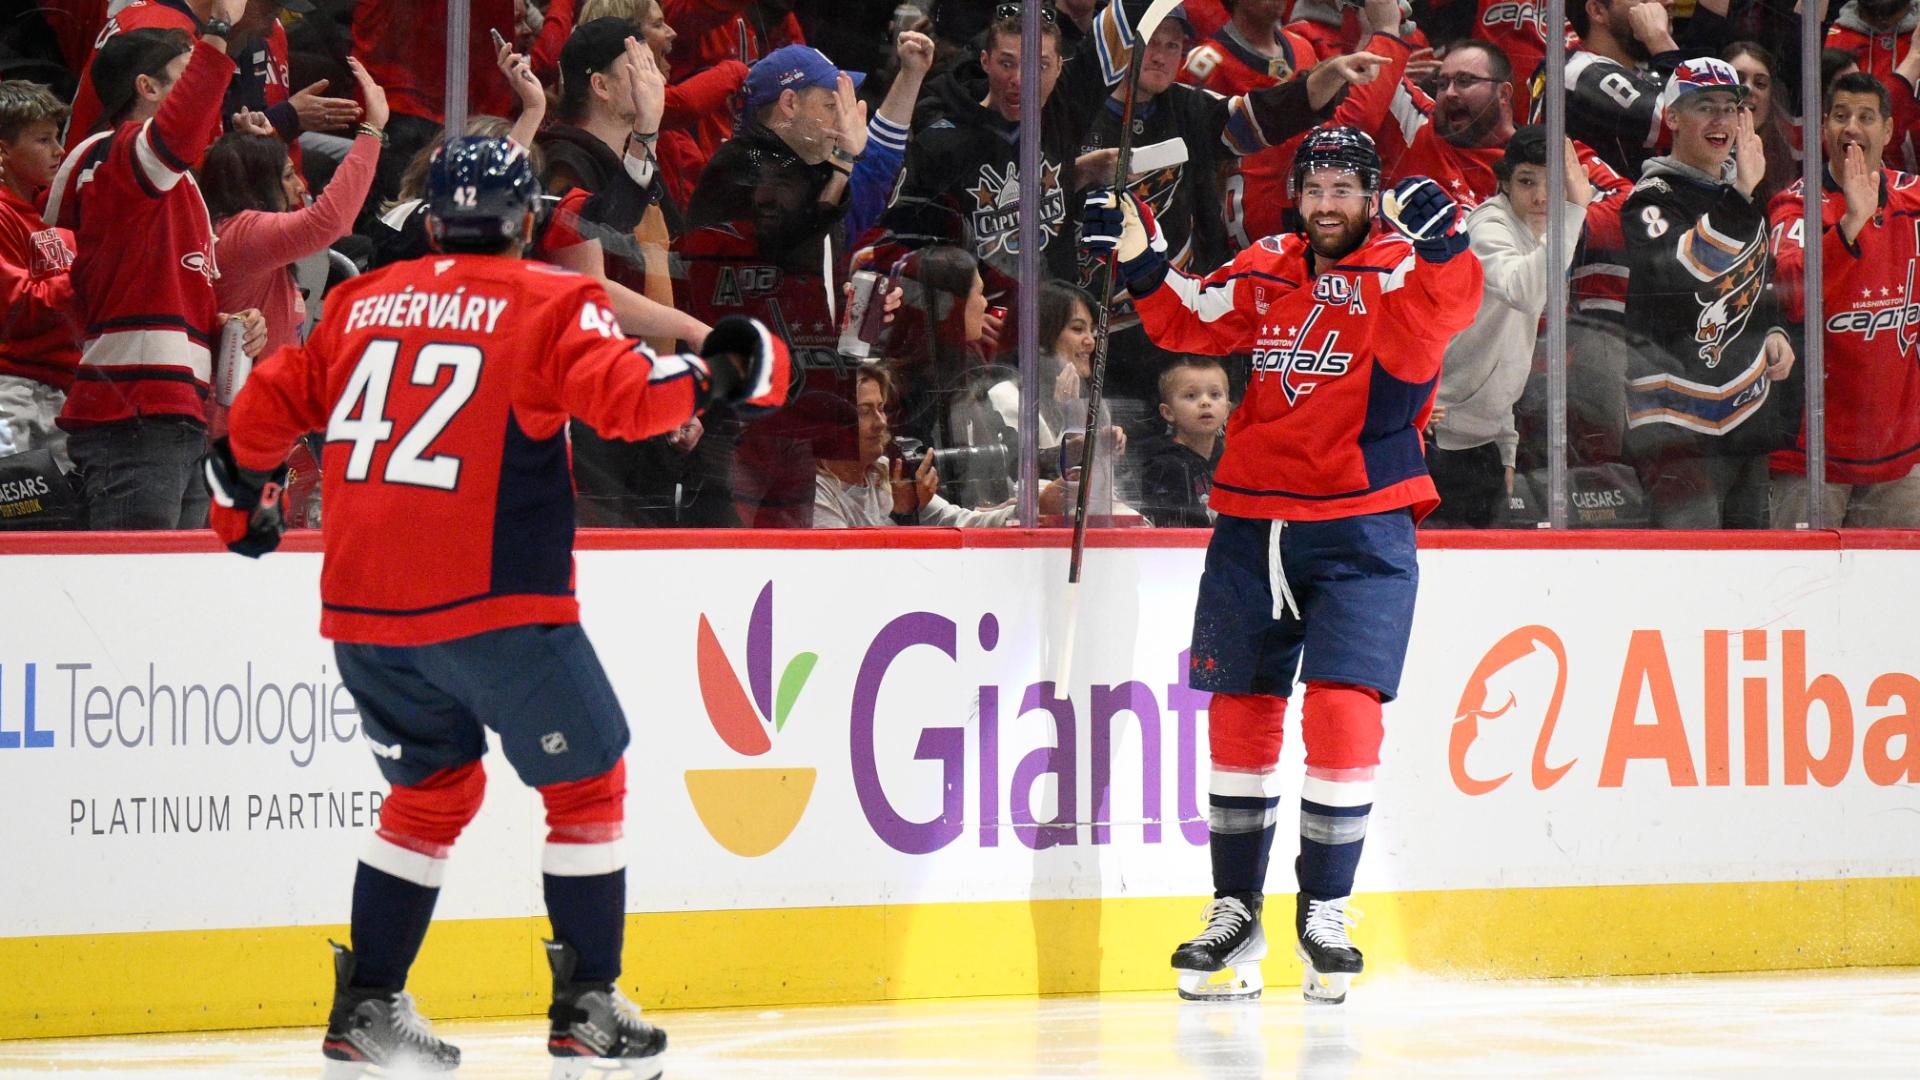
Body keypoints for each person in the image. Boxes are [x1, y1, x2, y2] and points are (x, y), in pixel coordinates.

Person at [206, 135, 790, 1071]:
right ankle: (588, 1001)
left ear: (431, 219)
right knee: (586, 779)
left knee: (429, 792)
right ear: (524, 223)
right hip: (497, 607)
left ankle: (366, 1007)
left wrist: (239, 500)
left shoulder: (356, 302)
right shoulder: (549, 299)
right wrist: (723, 371)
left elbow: (268, 405)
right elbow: (634, 402)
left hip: (363, 612)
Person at [1081, 126, 1481, 1002]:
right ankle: (1235, 913)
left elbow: (1451, 308)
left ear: (1371, 195)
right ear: (1296, 195)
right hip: (1253, 519)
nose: (1328, 203)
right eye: (1315, 188)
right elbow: (1190, 315)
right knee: (1239, 715)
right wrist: (1138, 248)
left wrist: (1448, 243)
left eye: (1345, 187)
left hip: (1364, 525)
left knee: (1342, 715)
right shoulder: (1267, 263)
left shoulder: (1402, 267)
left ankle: (1325, 911)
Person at [44, 18, 269, 529]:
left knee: (165, 595)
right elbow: (181, 128)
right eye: (188, 75)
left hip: (169, 413)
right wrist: (216, 29)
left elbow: (155, 289)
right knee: (129, 594)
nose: (208, 88)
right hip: (135, 415)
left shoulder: (166, 181)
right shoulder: (119, 153)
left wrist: (228, 326)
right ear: (147, 87)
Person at [1619, 57, 1795, 528]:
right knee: (1690, 575)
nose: (1721, 121)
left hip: (1746, 417)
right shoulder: (1649, 200)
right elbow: (1684, 272)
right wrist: (1739, 196)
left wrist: (1771, 326)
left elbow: (1756, 268)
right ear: (1672, 118)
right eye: (1705, 107)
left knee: (1753, 579)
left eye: (1729, 108)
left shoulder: (1738, 188)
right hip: (1677, 431)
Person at [1768, 71, 1920, 527]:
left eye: (1866, 116)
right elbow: (1791, 293)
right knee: (1796, 594)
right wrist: (1852, 220)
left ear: (1889, 131)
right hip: (1812, 457)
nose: (1852, 127)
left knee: (1895, 597)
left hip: (1903, 454)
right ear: (1823, 129)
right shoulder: (1795, 203)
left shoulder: (1915, 201)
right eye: (1840, 116)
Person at [1428, 127, 1591, 528]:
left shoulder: (1539, 236)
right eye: (1526, 181)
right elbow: (1523, 289)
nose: (1540, 196)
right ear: (1504, 181)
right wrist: (1574, 209)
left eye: (1551, 183)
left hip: (1482, 442)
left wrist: (1506, 446)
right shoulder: (1488, 226)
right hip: (1433, 437)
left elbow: (1510, 351)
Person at [201, 57, 386, 360]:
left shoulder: (242, 233)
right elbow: (331, 219)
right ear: (254, 184)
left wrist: (259, 146)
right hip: (239, 405)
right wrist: (372, 130)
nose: (300, 187)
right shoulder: (242, 233)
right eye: (288, 176)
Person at [813, 362, 1054, 526]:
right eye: (864, 412)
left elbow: (961, 523)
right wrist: (901, 513)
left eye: (881, 409)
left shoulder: (884, 473)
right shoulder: (817, 491)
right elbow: (848, 572)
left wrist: (1033, 508)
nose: (880, 422)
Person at [1534, 0, 1736, 176]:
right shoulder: (1582, 73)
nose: (1667, 2)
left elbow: (1704, 42)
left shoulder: (1635, 67)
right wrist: (1659, 39)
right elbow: (1692, 123)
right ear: (1597, 11)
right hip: (1604, 214)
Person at [0, 80, 79, 467]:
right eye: (43, 140)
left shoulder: (53, 220)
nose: (59, 150)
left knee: (56, 522)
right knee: (13, 521)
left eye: (57, 138)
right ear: (3, 150)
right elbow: (15, 306)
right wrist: (91, 275)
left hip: (60, 389)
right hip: (9, 389)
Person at [1135, 355, 1229, 528]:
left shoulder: (1233, 460)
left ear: (1227, 410)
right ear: (1168, 412)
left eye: (1215, 395)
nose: (1205, 402)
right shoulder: (1164, 466)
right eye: (1191, 395)